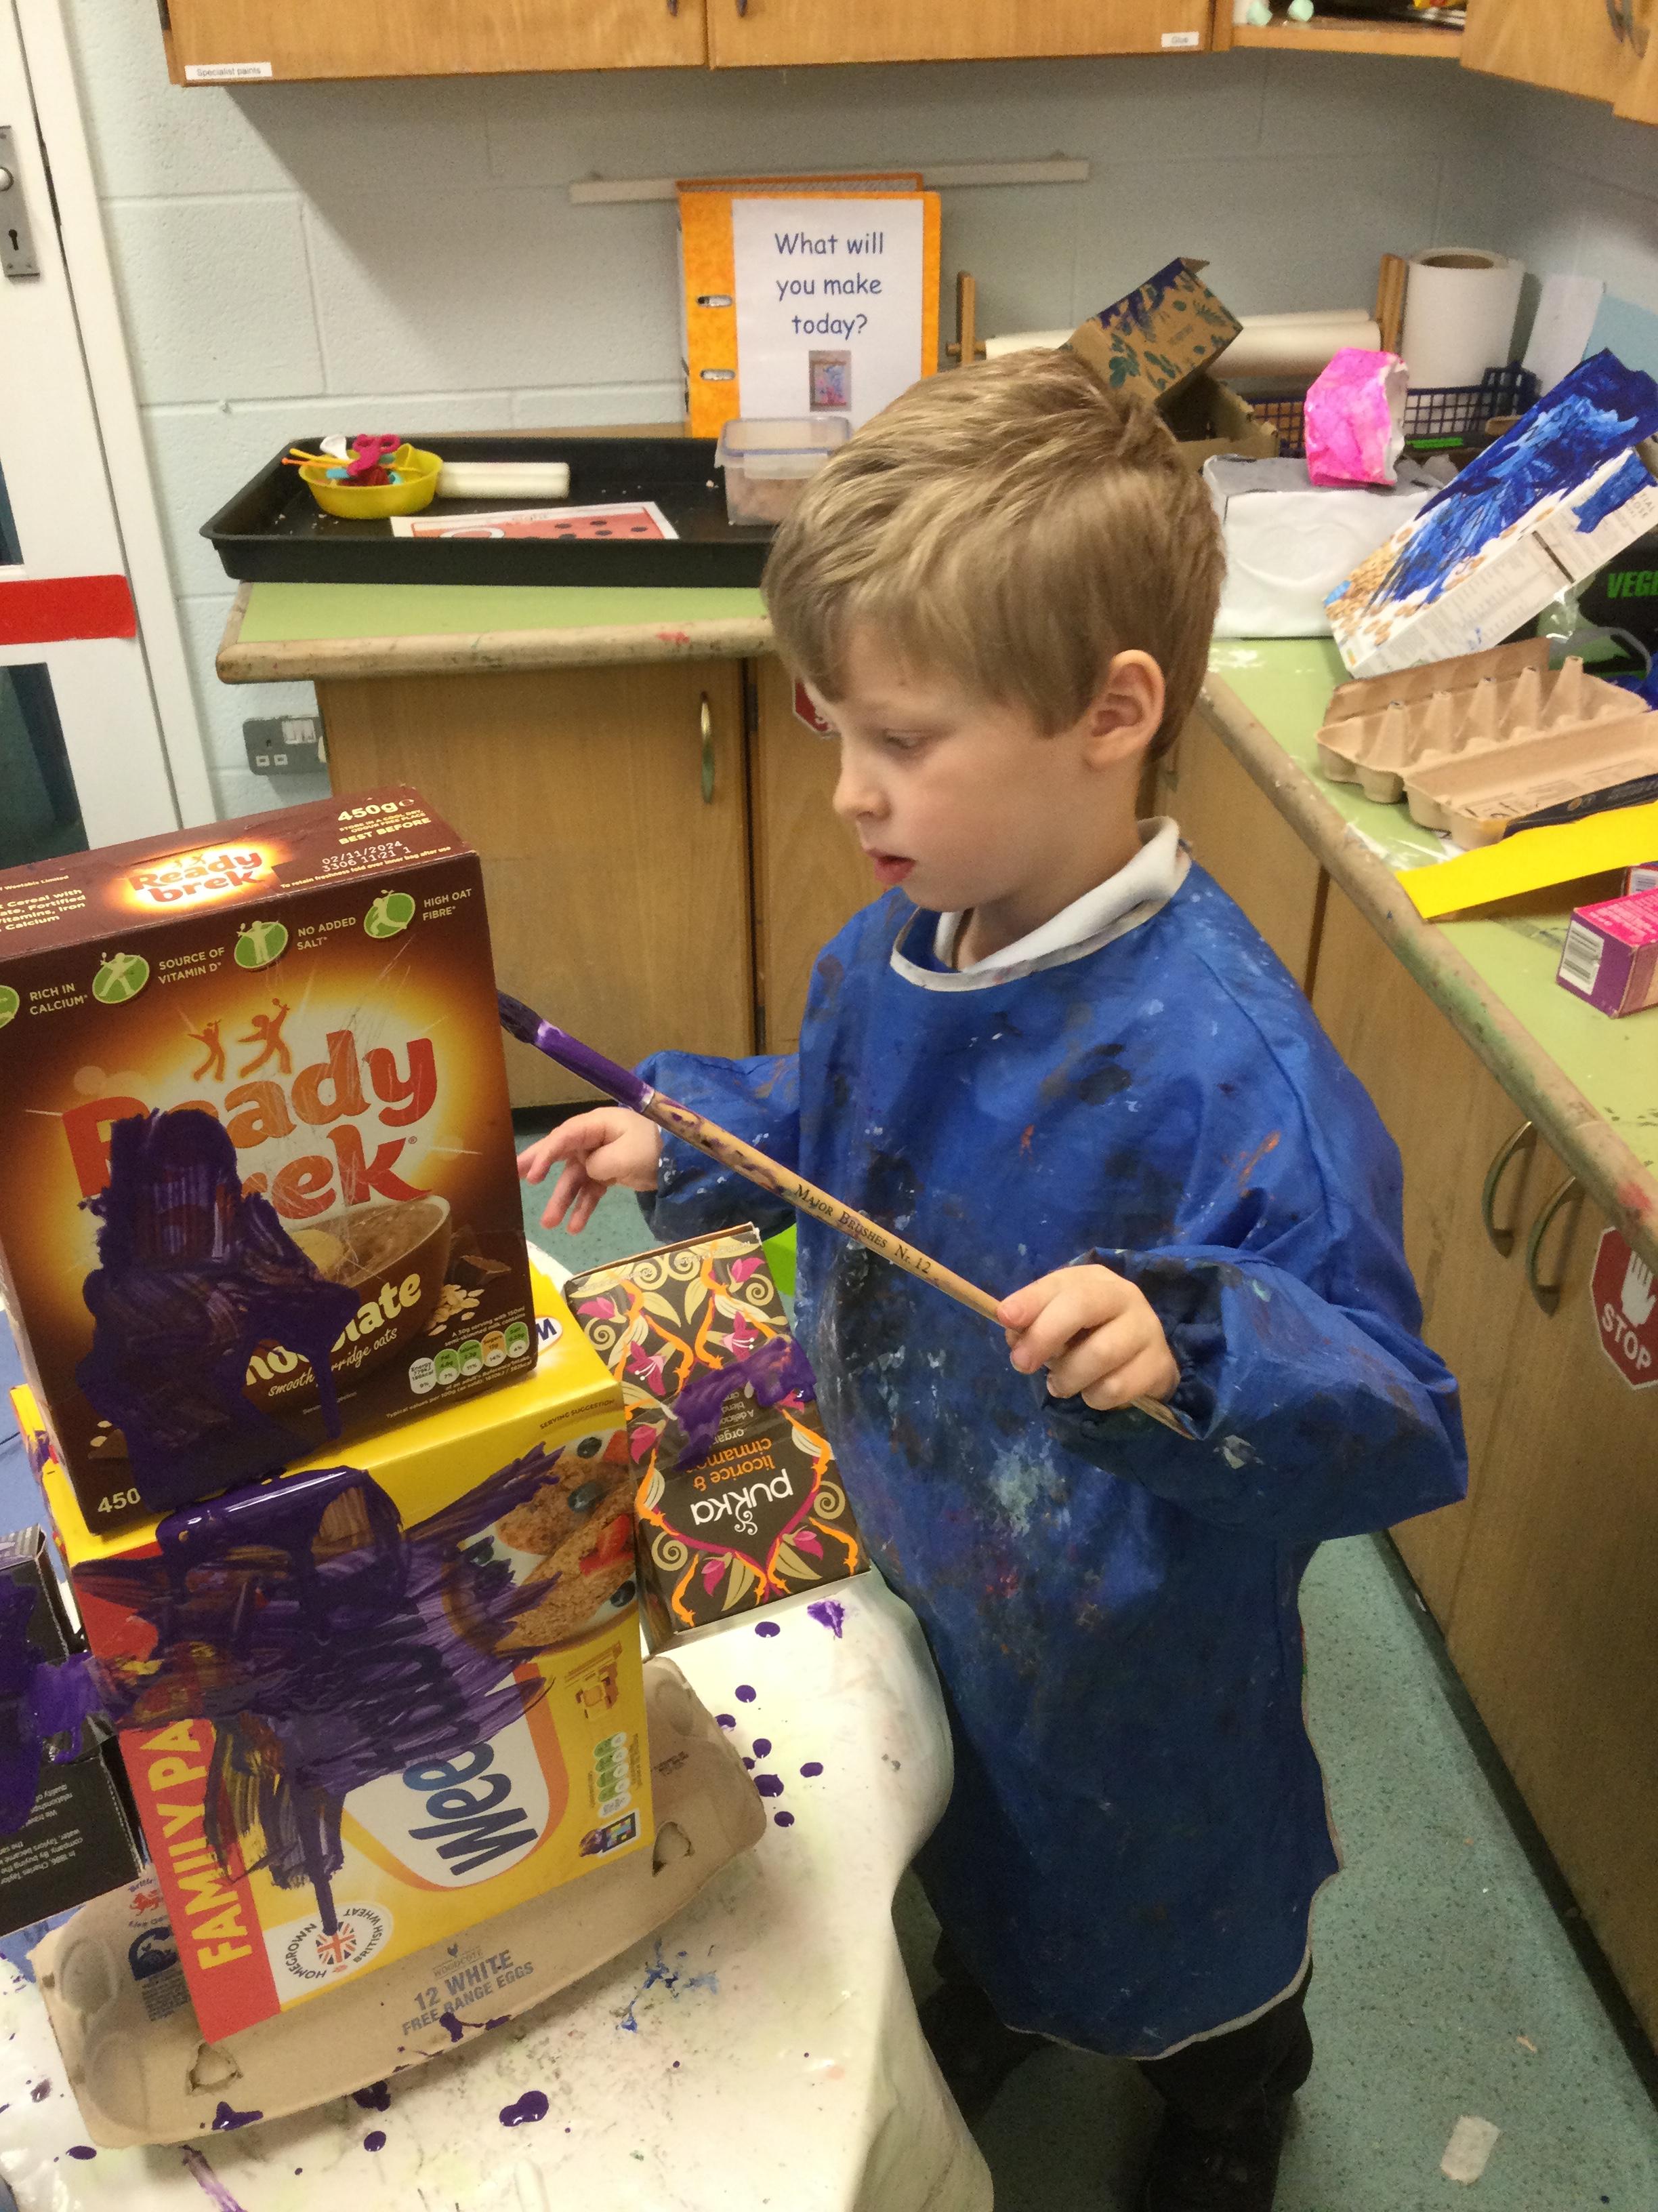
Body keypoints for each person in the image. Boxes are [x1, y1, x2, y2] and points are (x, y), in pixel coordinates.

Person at [517, 352, 1466, 2212]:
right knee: (974, 1824)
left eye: (904, 739)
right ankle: (1006, 1988)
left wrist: (1195, 1343)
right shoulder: (896, 944)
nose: (848, 792)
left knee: (1167, 1905)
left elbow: (1396, 1416)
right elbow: (850, 1127)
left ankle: (1231, 2096)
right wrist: (693, 1131)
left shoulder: (1235, 1078)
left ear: (1113, 712)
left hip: (1137, 1637)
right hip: (929, 1541)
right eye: (832, 728)